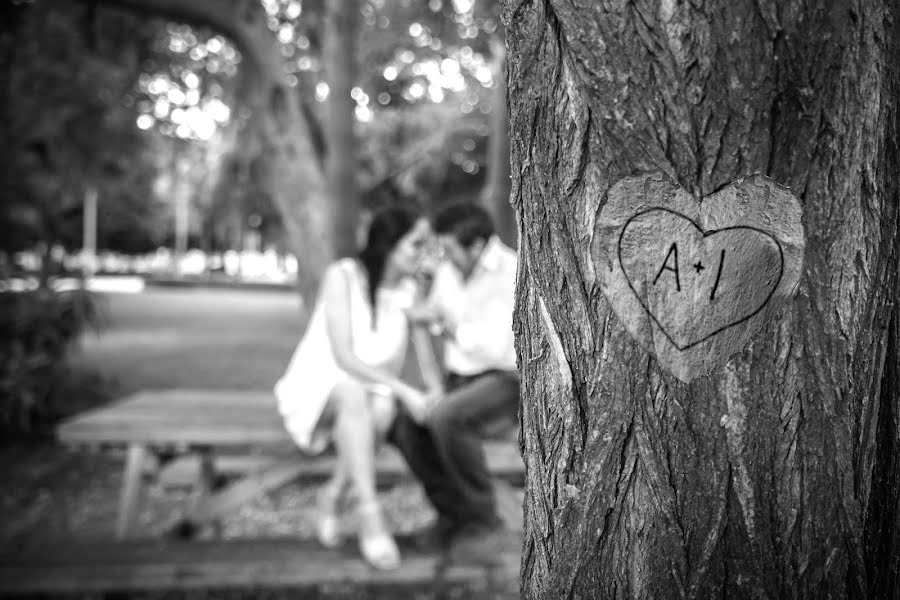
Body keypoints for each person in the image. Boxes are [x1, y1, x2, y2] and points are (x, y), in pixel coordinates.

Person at [274, 206, 436, 570]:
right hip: (319, 384)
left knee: (380, 409)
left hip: (371, 394)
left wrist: (430, 388)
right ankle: (370, 515)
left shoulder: (410, 292)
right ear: (389, 244)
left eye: (427, 244)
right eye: (416, 243)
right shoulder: (343, 276)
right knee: (355, 393)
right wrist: (405, 390)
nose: (424, 252)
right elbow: (344, 358)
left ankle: (331, 496)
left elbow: (427, 361)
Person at [391, 201, 519, 555]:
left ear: (476, 246)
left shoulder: (511, 272)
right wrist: (424, 293)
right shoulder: (449, 270)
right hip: (458, 377)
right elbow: (426, 314)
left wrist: (444, 325)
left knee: (447, 416)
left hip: (505, 378)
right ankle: (452, 514)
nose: (443, 255)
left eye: (448, 248)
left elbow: (495, 347)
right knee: (405, 423)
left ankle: (482, 518)